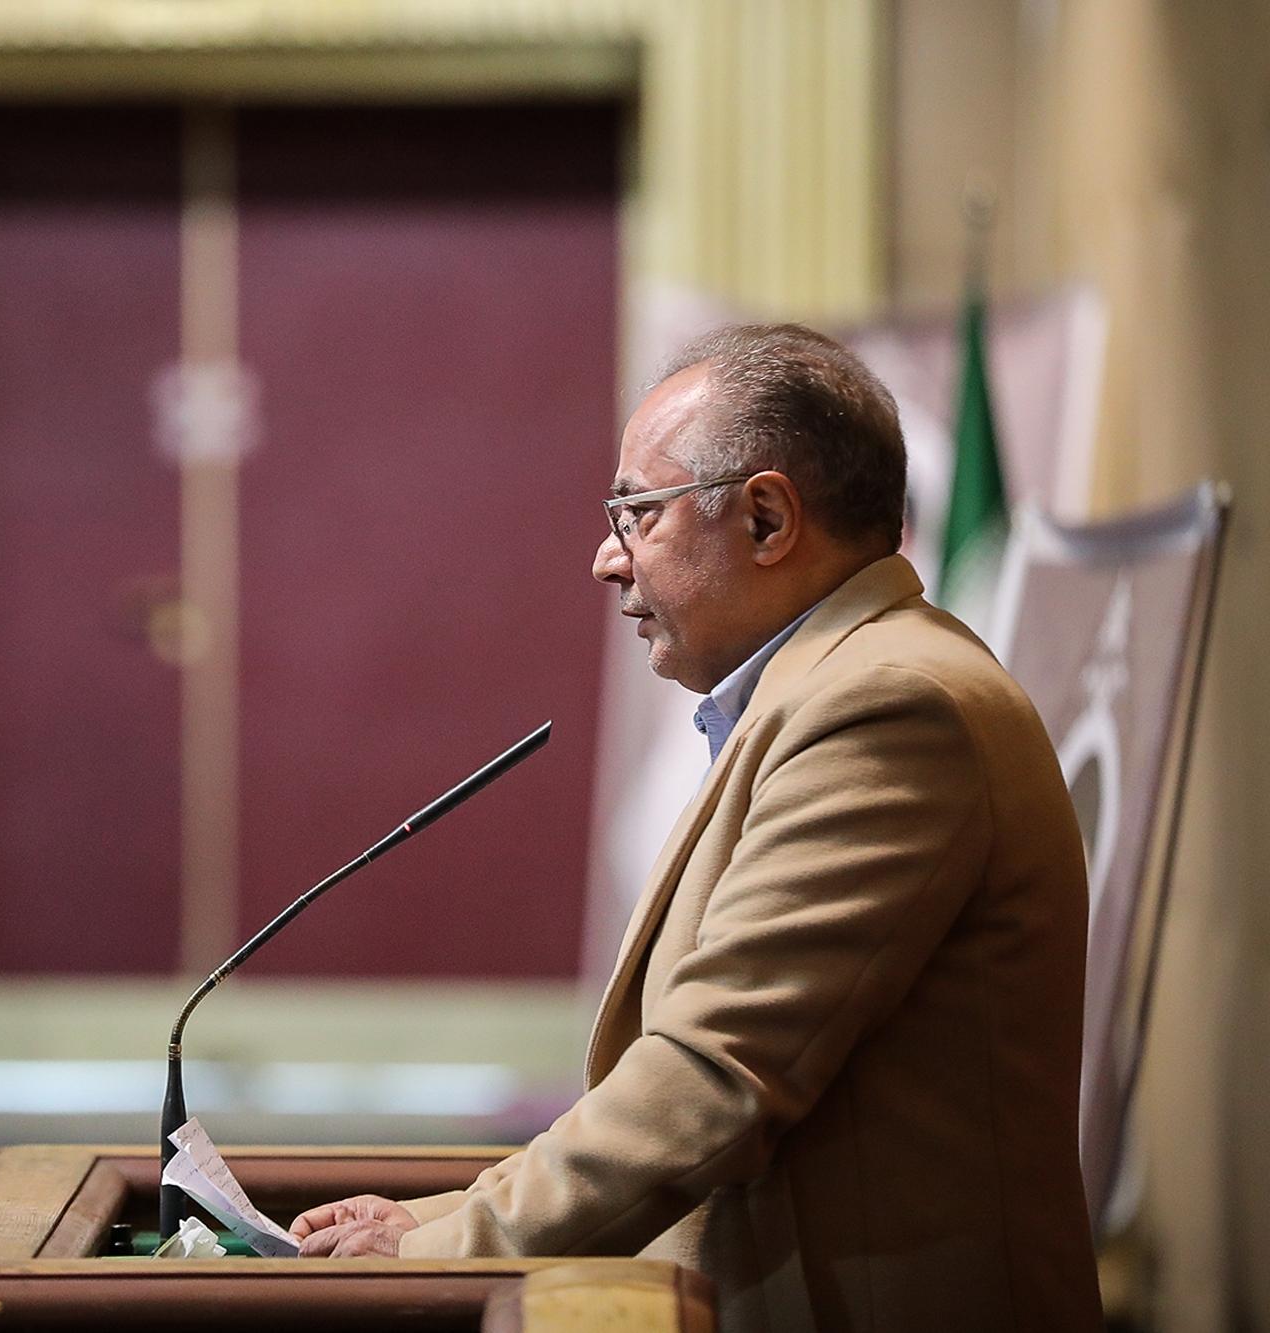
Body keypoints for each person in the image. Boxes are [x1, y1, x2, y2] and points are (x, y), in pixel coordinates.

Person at [291, 324, 1103, 1332]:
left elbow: (711, 1077)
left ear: (766, 518)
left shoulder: (888, 707)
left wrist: (431, 1253)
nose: (606, 559)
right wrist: (432, 1215)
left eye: (636, 514)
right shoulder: (820, 691)